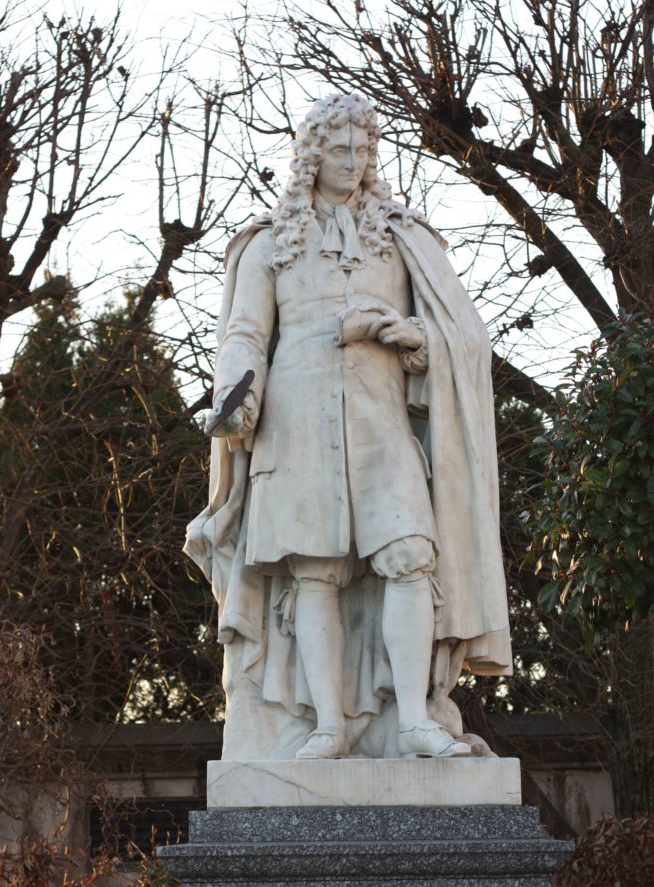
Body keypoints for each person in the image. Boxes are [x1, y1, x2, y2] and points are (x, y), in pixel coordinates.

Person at [184, 92, 511, 761]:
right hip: (294, 422)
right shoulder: (268, 241)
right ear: (311, 156)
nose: (353, 163)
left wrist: (410, 336)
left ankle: (416, 720)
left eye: (364, 152)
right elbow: (244, 336)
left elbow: (460, 337)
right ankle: (328, 724)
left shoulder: (402, 237)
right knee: (315, 572)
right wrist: (236, 399)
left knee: (410, 557)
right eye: (339, 151)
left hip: (380, 419)